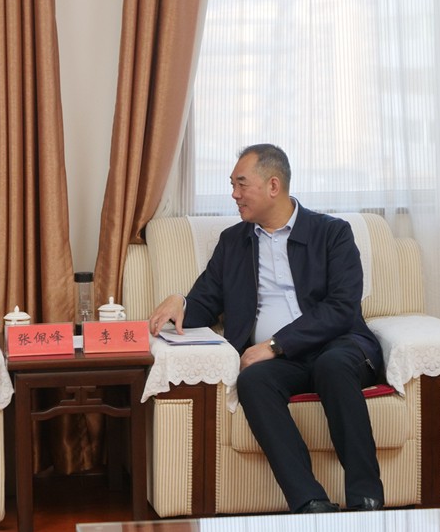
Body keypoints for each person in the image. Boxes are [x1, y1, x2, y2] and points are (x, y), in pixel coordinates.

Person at [148, 144, 384, 514]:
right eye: (232, 185)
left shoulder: (332, 233)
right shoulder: (234, 242)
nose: (234, 194)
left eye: (241, 184)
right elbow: (207, 300)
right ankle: (311, 503)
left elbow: (342, 307)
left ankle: (366, 500)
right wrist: (182, 301)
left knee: (333, 366)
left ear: (273, 185)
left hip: (339, 346)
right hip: (282, 364)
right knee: (253, 381)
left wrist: (275, 344)